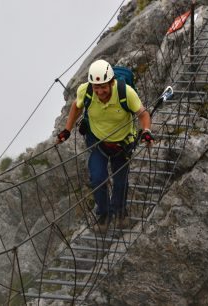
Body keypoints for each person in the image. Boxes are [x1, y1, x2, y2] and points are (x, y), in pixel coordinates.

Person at [57, 59, 154, 232]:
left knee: (120, 181)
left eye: (103, 86)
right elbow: (76, 107)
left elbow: (143, 114)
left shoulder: (126, 92)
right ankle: (104, 214)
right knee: (98, 178)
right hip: (97, 141)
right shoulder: (85, 91)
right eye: (96, 87)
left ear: (111, 82)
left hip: (122, 142)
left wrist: (146, 130)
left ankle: (120, 211)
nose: (100, 91)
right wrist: (67, 130)